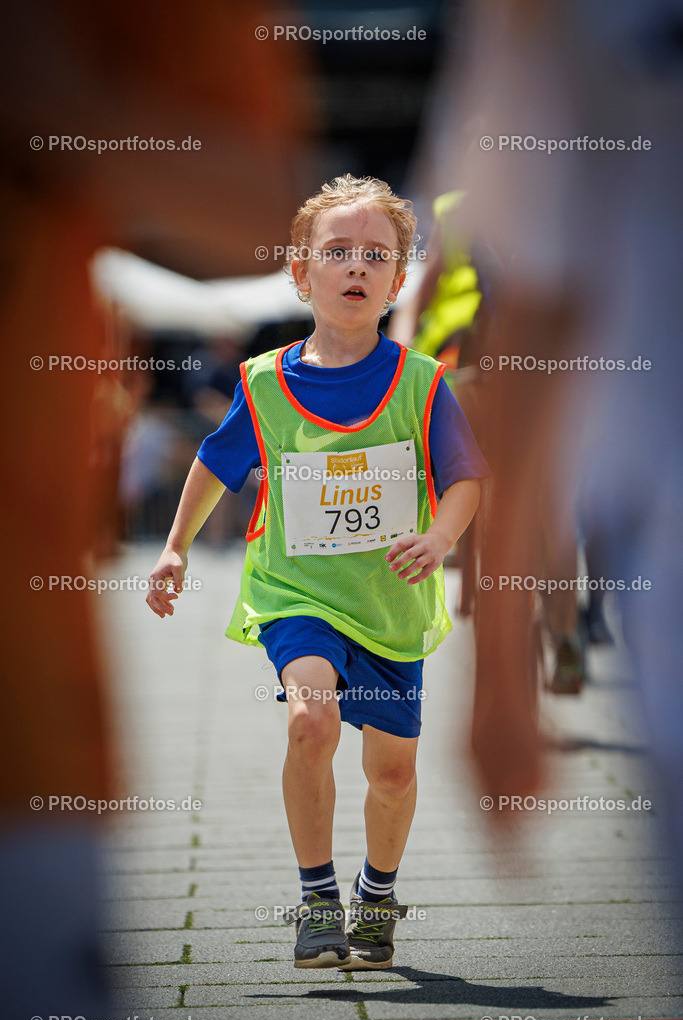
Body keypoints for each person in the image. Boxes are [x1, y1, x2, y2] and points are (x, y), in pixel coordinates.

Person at [146, 174, 488, 971]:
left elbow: (466, 477)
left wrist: (439, 537)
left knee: (391, 774)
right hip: (296, 594)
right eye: (336, 252)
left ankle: (376, 895)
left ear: (397, 282)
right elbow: (215, 462)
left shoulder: (422, 383)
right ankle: (317, 902)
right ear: (301, 272)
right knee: (310, 721)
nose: (355, 265)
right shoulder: (264, 383)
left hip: (390, 601)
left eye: (376, 254)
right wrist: (174, 547)